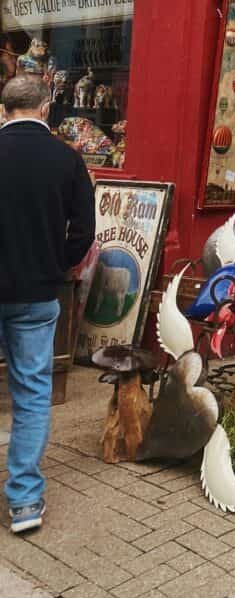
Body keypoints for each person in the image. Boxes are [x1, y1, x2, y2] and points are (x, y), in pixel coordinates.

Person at [0, 75, 96, 533]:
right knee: (33, 394)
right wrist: (56, 264)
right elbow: (83, 232)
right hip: (38, 292)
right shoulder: (67, 159)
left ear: (3, 111)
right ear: (45, 108)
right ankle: (23, 502)